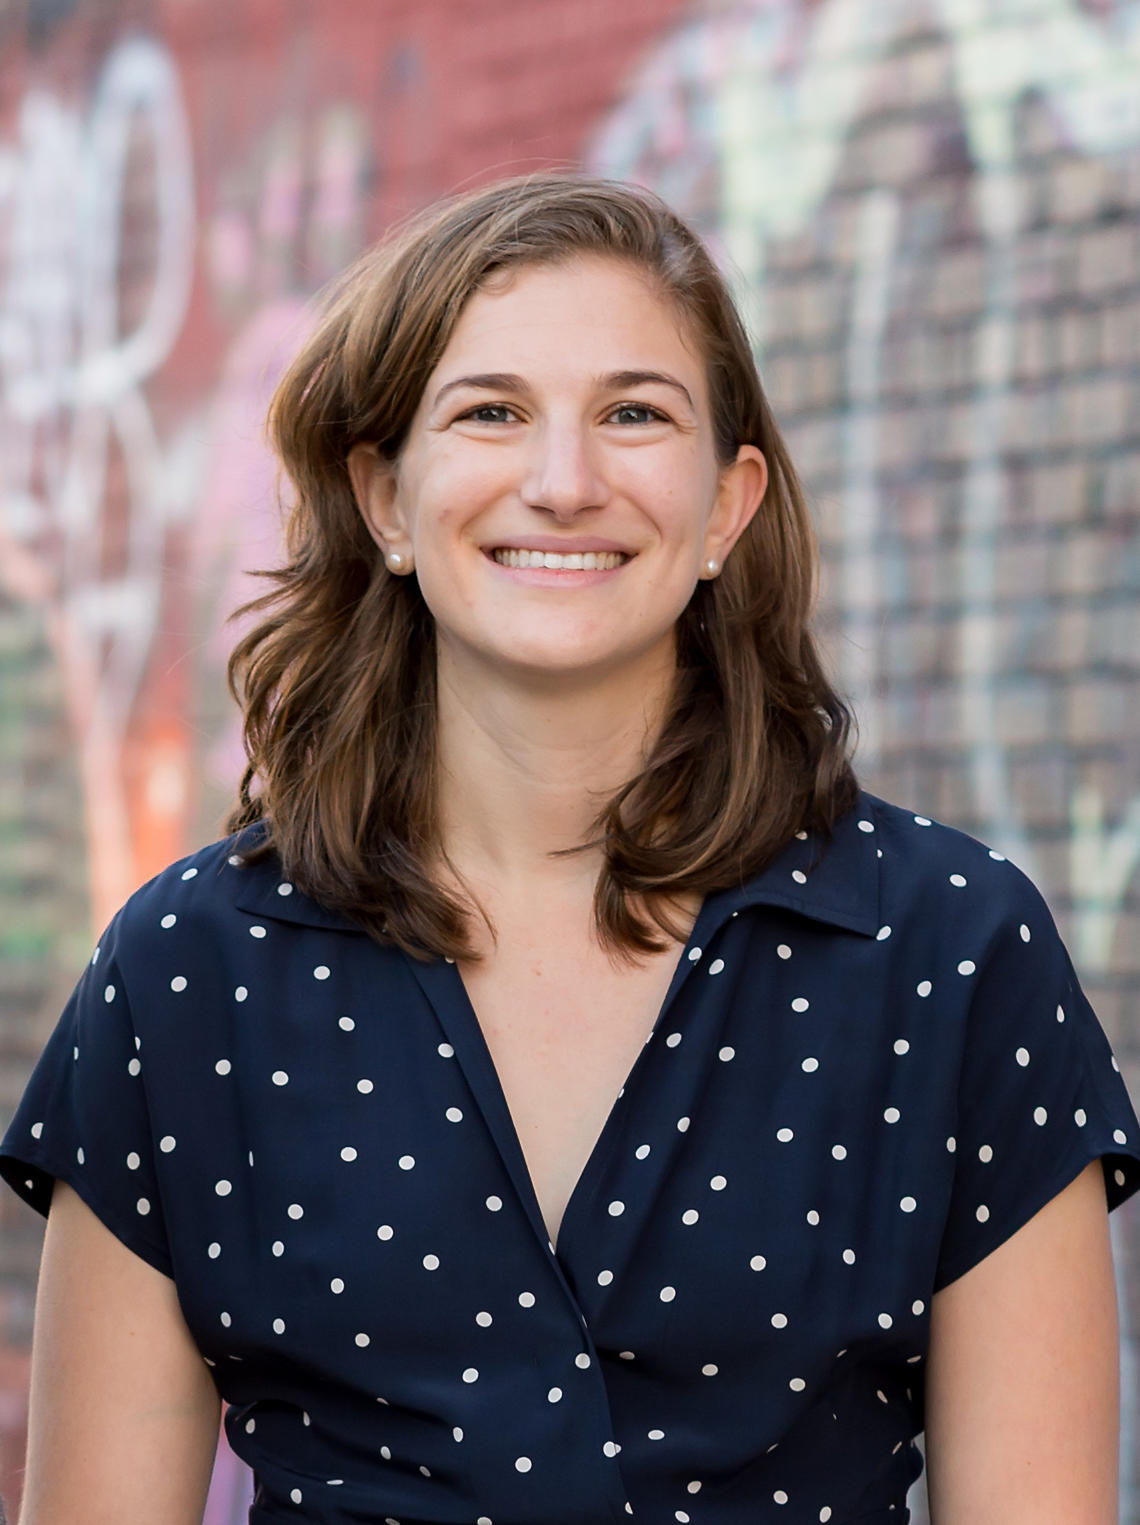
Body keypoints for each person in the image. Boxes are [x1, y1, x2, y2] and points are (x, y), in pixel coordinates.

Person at [2, 172, 1139, 1525]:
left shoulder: (951, 955)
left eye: (633, 415)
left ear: (727, 506)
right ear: (383, 498)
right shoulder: (189, 974)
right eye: (491, 412)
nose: (563, 482)